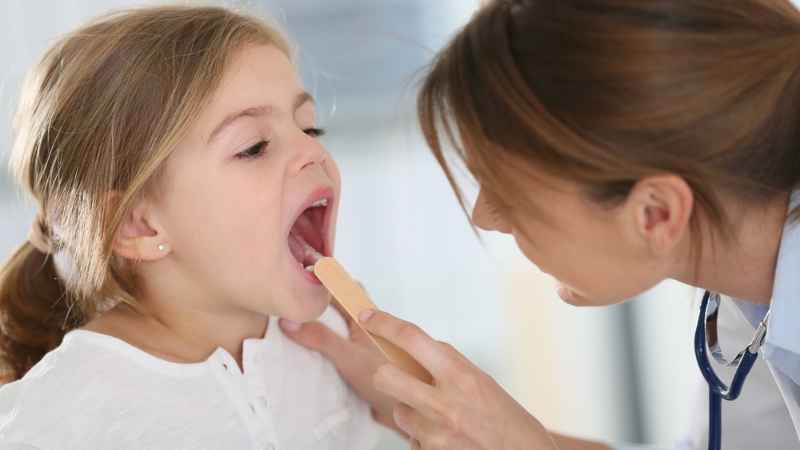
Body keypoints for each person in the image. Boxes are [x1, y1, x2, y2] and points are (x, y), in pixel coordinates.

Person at [279, 1, 800, 449]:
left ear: (656, 213)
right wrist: (444, 408)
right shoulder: (751, 293)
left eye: (509, 192)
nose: (486, 216)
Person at [0, 5, 382, 450]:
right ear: (136, 224)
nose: (311, 152)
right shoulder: (56, 421)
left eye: (310, 128)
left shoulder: (340, 344)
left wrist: (406, 407)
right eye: (254, 147)